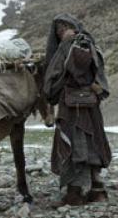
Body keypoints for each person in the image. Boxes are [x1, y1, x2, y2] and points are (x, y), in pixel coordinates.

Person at [43, 13, 112, 206]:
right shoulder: (91, 45)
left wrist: (52, 94)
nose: (60, 32)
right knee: (93, 141)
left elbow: (50, 83)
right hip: (91, 105)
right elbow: (101, 79)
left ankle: (75, 193)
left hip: (69, 106)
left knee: (71, 144)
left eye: (61, 28)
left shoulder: (62, 50)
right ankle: (98, 190)